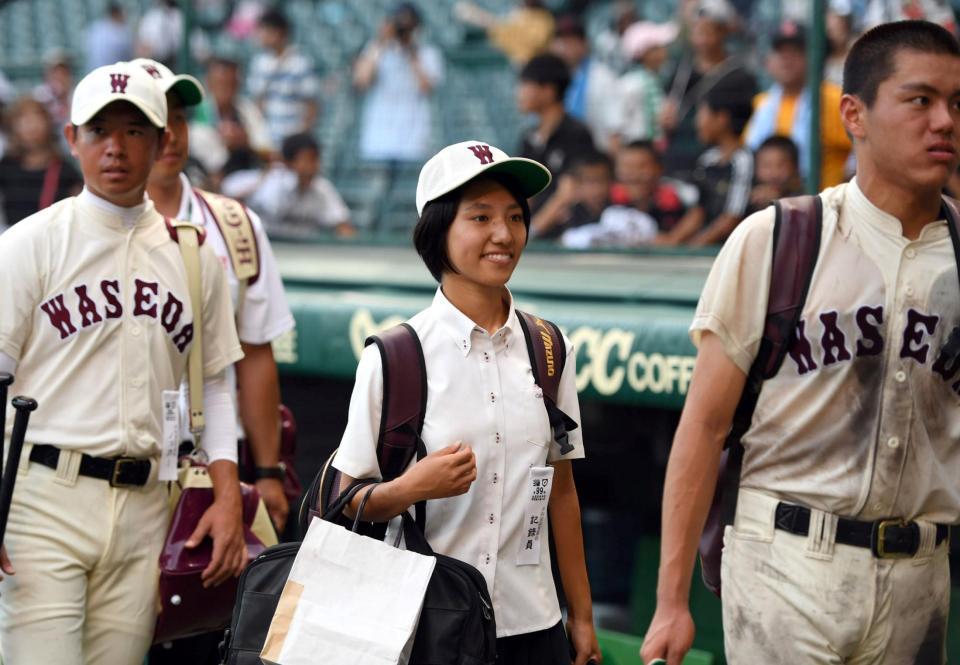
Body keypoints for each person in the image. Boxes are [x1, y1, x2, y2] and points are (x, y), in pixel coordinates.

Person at [641, 20, 960, 664]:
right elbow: (702, 427)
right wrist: (671, 600)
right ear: (855, 115)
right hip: (784, 562)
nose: (945, 121)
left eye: (958, 104)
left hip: (920, 575)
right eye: (920, 100)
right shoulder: (780, 237)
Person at [0, 61, 245, 665]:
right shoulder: (30, 243)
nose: (116, 148)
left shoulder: (194, 260)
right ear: (72, 140)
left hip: (145, 505)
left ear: (163, 142)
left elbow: (215, 384)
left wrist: (228, 494)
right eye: (99, 130)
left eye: (135, 131)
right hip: (41, 499)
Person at [332, 140, 602, 665]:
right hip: (426, 630)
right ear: (439, 232)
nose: (503, 234)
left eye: (514, 217)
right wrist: (412, 488)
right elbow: (346, 502)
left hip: (535, 628)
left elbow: (561, 492)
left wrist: (583, 616)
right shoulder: (395, 356)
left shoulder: (549, 347)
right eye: (480, 217)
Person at [137, 56, 294, 665]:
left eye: (177, 118)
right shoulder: (73, 229)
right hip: (111, 467)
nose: (170, 134)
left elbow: (252, 358)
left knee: (207, 631)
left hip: (210, 469)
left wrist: (268, 474)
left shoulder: (233, 225)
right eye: (154, 119)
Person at [744, 22, 852, 190]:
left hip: (826, 206)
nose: (787, 58)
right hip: (771, 206)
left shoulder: (834, 99)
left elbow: (862, 154)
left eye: (796, 51)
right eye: (780, 51)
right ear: (769, 61)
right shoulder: (762, 103)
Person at [659, 0, 755, 181]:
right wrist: (665, 119)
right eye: (697, 31)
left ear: (724, 32)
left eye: (708, 32)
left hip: (716, 161)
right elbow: (667, 109)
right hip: (677, 156)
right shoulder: (680, 70)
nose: (702, 39)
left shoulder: (739, 76)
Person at [354, 2, 444, 165]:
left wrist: (410, 51)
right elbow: (362, 81)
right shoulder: (377, 49)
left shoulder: (427, 53)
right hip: (379, 135)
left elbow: (426, 87)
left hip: (413, 135)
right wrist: (381, 42)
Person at [517, 54, 596, 222]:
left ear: (548, 90)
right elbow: (524, 193)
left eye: (526, 85)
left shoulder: (576, 134)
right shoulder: (528, 138)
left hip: (568, 233)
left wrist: (533, 232)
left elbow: (568, 192)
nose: (519, 93)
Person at [233, 132, 355, 238]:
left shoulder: (322, 187)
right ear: (288, 162)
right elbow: (231, 193)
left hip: (305, 255)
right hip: (270, 250)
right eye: (308, 159)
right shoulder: (273, 181)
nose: (315, 165)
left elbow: (343, 225)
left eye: (316, 159)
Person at [0, 96, 83, 228]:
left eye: (36, 116)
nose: (30, 124)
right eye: (23, 118)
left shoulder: (66, 171)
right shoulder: (5, 168)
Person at [190, 56, 274, 182]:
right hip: (208, 180)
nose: (226, 89)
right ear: (209, 83)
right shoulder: (197, 112)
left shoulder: (247, 110)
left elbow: (269, 153)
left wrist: (245, 142)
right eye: (220, 82)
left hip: (249, 176)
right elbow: (211, 163)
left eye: (231, 83)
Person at [247, 8, 320, 148]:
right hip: (268, 140)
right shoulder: (259, 63)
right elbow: (258, 103)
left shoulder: (300, 63)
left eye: (266, 30)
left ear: (279, 32)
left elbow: (311, 106)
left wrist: (301, 138)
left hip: (293, 141)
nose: (261, 35)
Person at [609, 140, 701, 243]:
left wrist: (672, 239)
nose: (634, 175)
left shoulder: (677, 191)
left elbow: (699, 211)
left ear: (658, 168)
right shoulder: (608, 197)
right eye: (627, 167)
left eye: (642, 166)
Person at [609, 21, 678, 153]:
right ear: (644, 54)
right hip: (635, 150)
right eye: (657, 48)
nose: (664, 52)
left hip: (655, 151)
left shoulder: (659, 81)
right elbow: (616, 128)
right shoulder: (629, 84)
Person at [550, 15, 618, 150]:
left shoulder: (602, 77)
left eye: (570, 42)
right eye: (561, 42)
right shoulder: (554, 78)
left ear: (584, 43)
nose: (564, 48)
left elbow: (614, 131)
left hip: (594, 154)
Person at [531, 151, 613, 239]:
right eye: (589, 181)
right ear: (576, 183)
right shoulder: (567, 214)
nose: (597, 189)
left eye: (602, 180)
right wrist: (560, 199)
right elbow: (530, 234)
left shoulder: (618, 207)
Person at [454, 0, 555, 66]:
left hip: (536, 68)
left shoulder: (544, 19)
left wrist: (481, 19)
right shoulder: (517, 14)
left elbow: (532, 42)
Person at [746, 134, 803, 215]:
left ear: (795, 167)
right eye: (766, 165)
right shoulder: (748, 195)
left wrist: (777, 202)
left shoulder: (803, 200)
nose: (774, 174)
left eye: (781, 165)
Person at [84, 3, 135, 72]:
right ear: (116, 14)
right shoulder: (120, 31)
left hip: (94, 73)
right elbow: (131, 55)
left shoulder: (95, 27)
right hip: (112, 74)